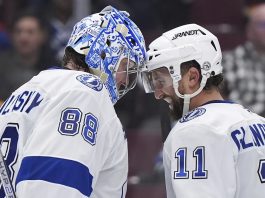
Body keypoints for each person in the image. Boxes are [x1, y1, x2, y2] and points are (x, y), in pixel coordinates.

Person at [0, 5, 146, 198]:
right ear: (104, 53)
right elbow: (53, 188)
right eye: (126, 67)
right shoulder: (85, 93)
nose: (125, 82)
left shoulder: (27, 88)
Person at [141, 23, 265, 198]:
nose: (158, 94)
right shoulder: (258, 123)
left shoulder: (194, 130)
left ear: (192, 77)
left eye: (161, 82)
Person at [0, 11, 58, 101]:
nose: (23, 37)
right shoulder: (2, 64)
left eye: (30, 32)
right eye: (18, 32)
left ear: (43, 36)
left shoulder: (56, 69)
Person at [222, 1, 265, 117]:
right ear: (249, 30)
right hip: (247, 127)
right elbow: (229, 106)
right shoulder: (231, 60)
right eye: (263, 25)